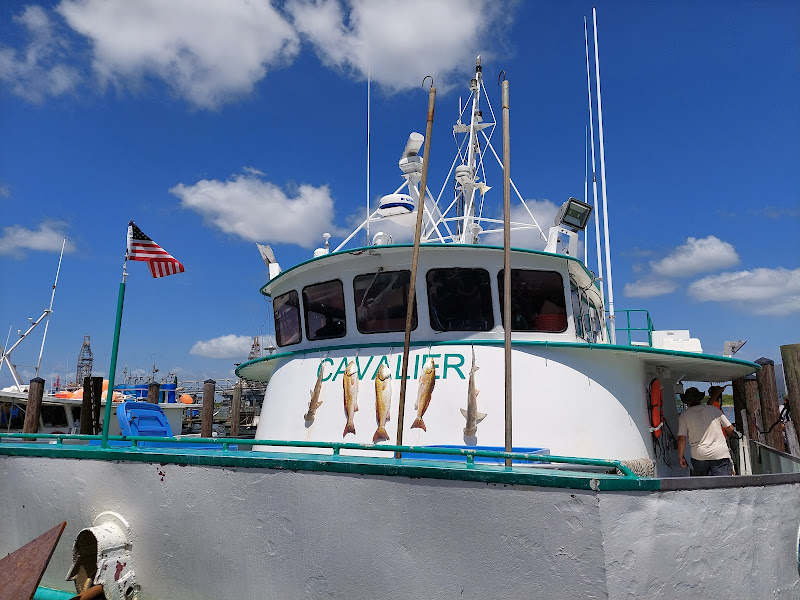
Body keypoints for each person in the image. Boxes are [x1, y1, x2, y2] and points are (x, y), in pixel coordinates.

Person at [678, 386, 735, 476]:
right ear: (700, 399)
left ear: (686, 401)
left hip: (699, 455)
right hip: (719, 453)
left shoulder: (684, 415)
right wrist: (728, 434)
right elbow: (730, 428)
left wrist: (681, 456)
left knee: (703, 484)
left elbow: (682, 438)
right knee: (723, 484)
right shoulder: (714, 409)